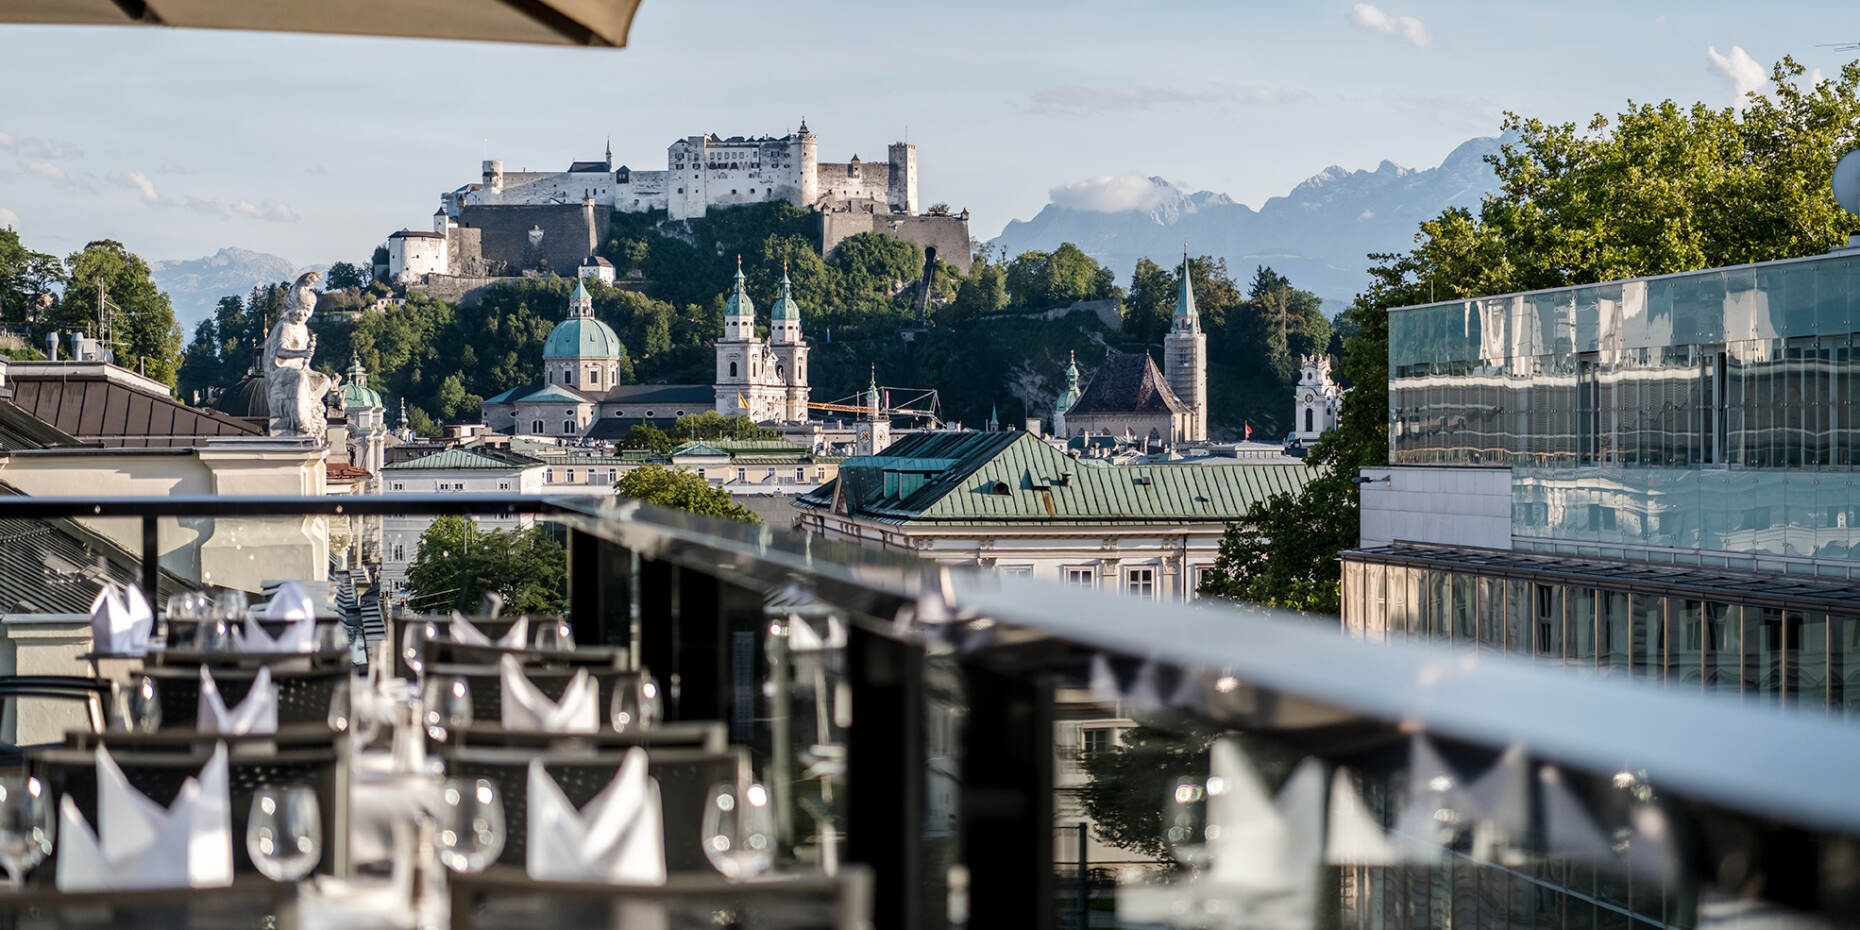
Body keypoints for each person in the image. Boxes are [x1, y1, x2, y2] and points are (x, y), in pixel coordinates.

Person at [264, 271, 341, 440]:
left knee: (324, 381)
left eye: (308, 311)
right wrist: (302, 352)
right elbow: (280, 351)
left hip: (299, 369)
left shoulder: (303, 328)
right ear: (294, 309)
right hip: (281, 372)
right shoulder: (285, 326)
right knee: (301, 378)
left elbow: (303, 362)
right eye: (303, 310)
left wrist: (306, 360)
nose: (305, 314)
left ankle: (308, 406)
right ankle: (300, 419)